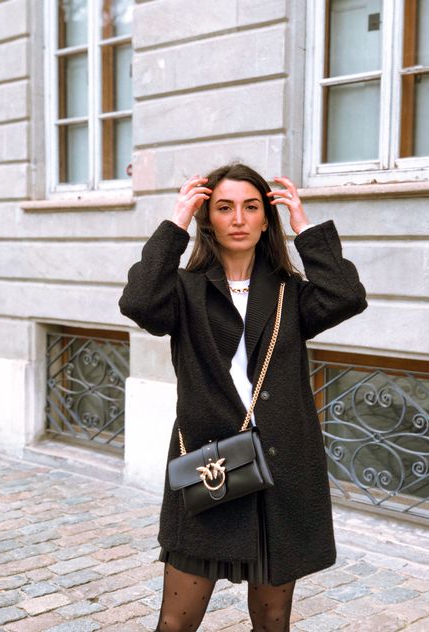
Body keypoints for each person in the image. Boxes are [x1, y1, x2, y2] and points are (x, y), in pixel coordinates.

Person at [118, 163, 368, 631]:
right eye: (224, 207)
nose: (238, 218)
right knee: (176, 622)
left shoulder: (290, 294)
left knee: (273, 621)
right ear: (207, 218)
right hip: (211, 467)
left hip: (280, 471)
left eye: (251, 207)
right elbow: (138, 302)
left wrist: (305, 229)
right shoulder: (184, 291)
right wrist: (175, 223)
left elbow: (346, 296)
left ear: (264, 219)